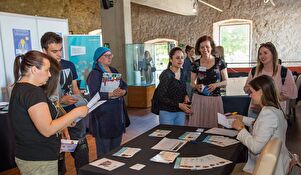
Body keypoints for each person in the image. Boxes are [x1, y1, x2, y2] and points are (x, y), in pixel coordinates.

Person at [9, 50, 88, 175]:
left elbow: (37, 123)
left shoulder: (20, 88)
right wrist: (76, 112)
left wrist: (65, 122)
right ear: (34, 70)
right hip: (38, 159)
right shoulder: (33, 93)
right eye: (46, 70)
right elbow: (47, 129)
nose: (50, 75)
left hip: (31, 155)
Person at [41, 32, 89, 174]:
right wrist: (62, 100)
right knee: (58, 159)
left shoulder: (69, 65)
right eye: (54, 51)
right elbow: (43, 99)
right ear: (44, 51)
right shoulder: (42, 70)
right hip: (54, 120)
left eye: (61, 50)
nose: (59, 54)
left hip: (75, 116)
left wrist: (81, 102)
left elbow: (75, 89)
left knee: (82, 154)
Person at [231, 75, 291, 175]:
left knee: (229, 168)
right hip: (275, 165)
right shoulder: (274, 110)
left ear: (261, 92)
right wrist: (242, 118)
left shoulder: (268, 114)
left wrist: (240, 128)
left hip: (267, 169)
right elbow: (262, 125)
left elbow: (255, 147)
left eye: (252, 92)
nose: (250, 96)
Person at [87, 47, 128, 157]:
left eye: (111, 55)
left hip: (116, 117)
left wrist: (123, 91)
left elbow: (124, 85)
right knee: (104, 152)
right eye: (106, 55)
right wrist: (110, 94)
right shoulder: (95, 74)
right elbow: (94, 94)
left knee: (116, 150)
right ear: (99, 59)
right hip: (102, 118)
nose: (110, 57)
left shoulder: (114, 70)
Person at [244, 42, 297, 119]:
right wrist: (249, 88)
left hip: (275, 113)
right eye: (260, 54)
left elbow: (290, 94)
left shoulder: (284, 72)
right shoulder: (254, 70)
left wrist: (264, 104)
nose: (262, 56)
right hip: (255, 111)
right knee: (254, 130)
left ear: (273, 54)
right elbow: (246, 89)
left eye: (265, 53)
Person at [188, 35, 228, 128]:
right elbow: (191, 83)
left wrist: (216, 85)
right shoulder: (196, 64)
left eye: (207, 46)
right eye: (202, 47)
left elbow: (226, 81)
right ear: (199, 48)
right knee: (197, 127)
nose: (204, 49)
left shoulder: (220, 62)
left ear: (211, 47)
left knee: (215, 128)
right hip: (199, 99)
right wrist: (196, 86)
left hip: (215, 100)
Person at [156, 47, 192, 126]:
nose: (180, 60)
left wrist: (185, 95)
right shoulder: (166, 75)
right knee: (167, 137)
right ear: (171, 60)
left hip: (180, 112)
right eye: (177, 58)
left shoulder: (183, 73)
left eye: (182, 58)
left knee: (178, 136)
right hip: (167, 112)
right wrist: (179, 105)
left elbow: (182, 88)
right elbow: (161, 97)